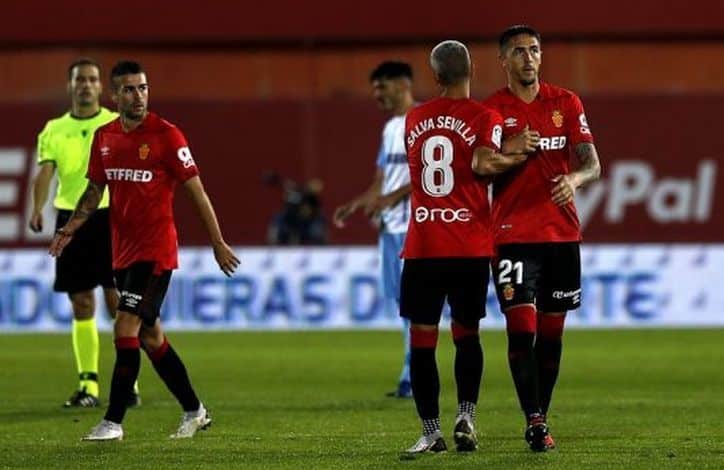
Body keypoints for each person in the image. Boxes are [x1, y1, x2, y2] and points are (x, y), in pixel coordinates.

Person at [49, 60, 240, 441]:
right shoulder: (105, 137)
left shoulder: (167, 136)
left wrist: (217, 242)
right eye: (130, 90)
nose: (139, 96)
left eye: (143, 88)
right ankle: (195, 411)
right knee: (151, 337)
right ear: (115, 95)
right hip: (123, 252)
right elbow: (93, 191)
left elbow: (197, 193)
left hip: (156, 252)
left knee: (125, 325)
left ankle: (113, 421)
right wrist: (70, 227)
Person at [400, 40, 527, 455]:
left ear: (435, 76)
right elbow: (483, 164)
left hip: (423, 244)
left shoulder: (414, 118)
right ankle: (466, 415)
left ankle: (431, 430)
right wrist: (518, 153)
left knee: (421, 340)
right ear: (471, 68)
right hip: (470, 244)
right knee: (466, 336)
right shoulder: (486, 116)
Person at [483, 25, 602, 452]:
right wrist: (511, 150)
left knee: (552, 336)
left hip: (562, 235)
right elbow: (479, 169)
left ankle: (540, 416)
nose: (529, 58)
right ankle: (534, 420)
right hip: (513, 236)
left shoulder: (565, 102)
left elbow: (593, 165)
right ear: (504, 60)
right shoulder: (493, 110)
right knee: (521, 331)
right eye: (519, 52)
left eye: (534, 50)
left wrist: (574, 178)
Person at [31, 58, 141, 408]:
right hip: (70, 217)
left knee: (116, 300)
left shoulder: (114, 122)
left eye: (92, 79)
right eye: (80, 80)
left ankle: (129, 382)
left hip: (110, 214)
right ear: (71, 86)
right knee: (81, 300)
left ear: (100, 87)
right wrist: (38, 207)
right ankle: (88, 385)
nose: (86, 85)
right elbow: (46, 172)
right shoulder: (54, 129)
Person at [332, 61, 415, 398]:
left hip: (415, 226)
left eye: (381, 87)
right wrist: (358, 203)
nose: (376, 94)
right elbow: (381, 182)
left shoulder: (421, 122)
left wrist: (390, 199)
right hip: (391, 229)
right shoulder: (390, 129)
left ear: (400, 84)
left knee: (415, 305)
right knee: (403, 305)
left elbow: (428, 174)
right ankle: (412, 372)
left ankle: (413, 375)